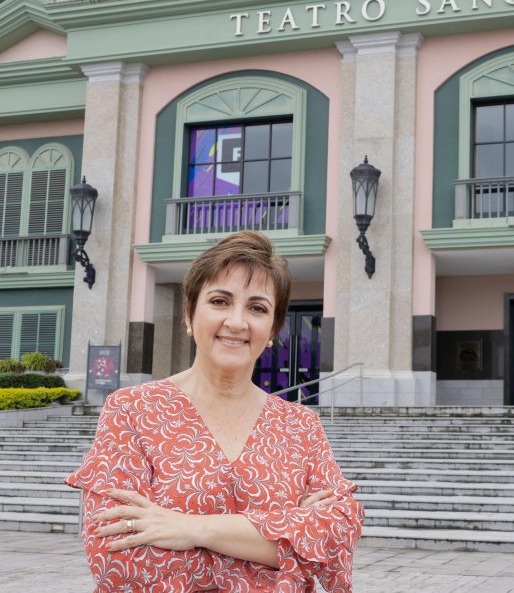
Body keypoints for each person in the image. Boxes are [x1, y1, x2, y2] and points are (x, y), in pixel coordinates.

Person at [66, 231, 364, 592]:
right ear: (190, 314)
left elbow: (335, 537)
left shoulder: (301, 426)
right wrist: (288, 539)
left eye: (257, 308)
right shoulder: (131, 411)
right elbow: (114, 555)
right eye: (220, 301)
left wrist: (190, 528)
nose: (237, 322)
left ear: (272, 328)